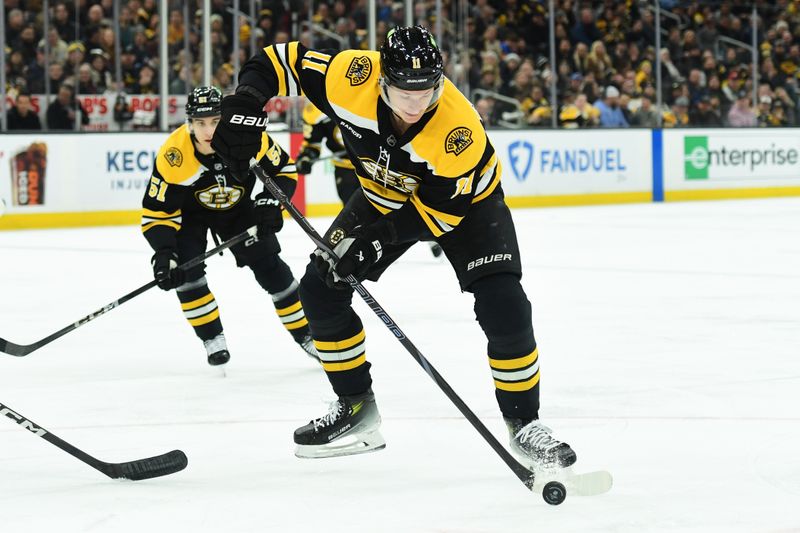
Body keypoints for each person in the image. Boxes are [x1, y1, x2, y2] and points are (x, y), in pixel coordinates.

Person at [211, 26, 576, 470]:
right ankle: (356, 408)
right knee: (320, 289)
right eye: (404, 91)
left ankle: (524, 422)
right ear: (383, 79)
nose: (415, 103)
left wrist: (375, 242)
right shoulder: (352, 76)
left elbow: (442, 214)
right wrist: (247, 102)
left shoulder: (457, 130)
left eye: (426, 91)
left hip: (469, 205)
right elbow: (279, 60)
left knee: (505, 303)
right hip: (380, 196)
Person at [141, 86, 318, 368]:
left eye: (214, 121)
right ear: (189, 123)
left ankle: (307, 334)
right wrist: (164, 252)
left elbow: (283, 169)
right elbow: (157, 212)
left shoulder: (248, 137)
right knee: (187, 274)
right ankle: (212, 338)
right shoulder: (174, 155)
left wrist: (270, 202)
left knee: (271, 268)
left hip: (238, 210)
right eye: (200, 123)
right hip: (191, 217)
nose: (208, 130)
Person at [297, 100, 443, 257]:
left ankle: (426, 235)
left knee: (400, 202)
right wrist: (307, 156)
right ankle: (361, 249)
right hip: (345, 169)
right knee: (355, 212)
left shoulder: (362, 98)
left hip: (374, 165)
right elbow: (312, 142)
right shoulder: (315, 109)